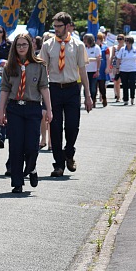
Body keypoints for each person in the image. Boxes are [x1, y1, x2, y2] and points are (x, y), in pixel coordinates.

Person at [39, 12, 93, 178]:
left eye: (59, 26)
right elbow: (42, 70)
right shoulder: (48, 45)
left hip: (72, 88)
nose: (56, 29)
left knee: (72, 126)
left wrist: (88, 95)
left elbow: (82, 71)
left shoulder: (78, 45)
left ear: (68, 26)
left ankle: (69, 152)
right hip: (54, 88)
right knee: (54, 128)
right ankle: (58, 165)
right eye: (54, 26)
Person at [0, 33, 52, 193]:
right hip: (14, 108)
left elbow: (44, 87)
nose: (21, 47)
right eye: (18, 45)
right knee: (15, 146)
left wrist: (49, 109)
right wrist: (1, 111)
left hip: (32, 107)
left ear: (31, 46)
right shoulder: (10, 66)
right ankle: (17, 182)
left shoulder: (39, 65)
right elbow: (5, 89)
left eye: (24, 44)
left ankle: (31, 168)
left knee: (31, 145)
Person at [115, 36, 136, 106]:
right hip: (123, 69)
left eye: (128, 41)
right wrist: (117, 68)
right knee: (125, 85)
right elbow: (118, 59)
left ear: (131, 42)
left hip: (132, 69)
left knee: (132, 84)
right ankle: (125, 99)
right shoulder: (122, 49)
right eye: (126, 41)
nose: (126, 42)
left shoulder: (135, 50)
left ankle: (132, 98)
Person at [83, 33, 101, 108]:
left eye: (85, 39)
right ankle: (86, 100)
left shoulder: (96, 48)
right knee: (86, 87)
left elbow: (99, 59)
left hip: (93, 70)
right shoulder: (84, 48)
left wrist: (97, 70)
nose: (84, 41)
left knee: (93, 87)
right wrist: (92, 59)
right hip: (85, 70)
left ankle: (93, 100)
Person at [96, 33, 111, 107]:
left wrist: (107, 67)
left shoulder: (105, 48)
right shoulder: (92, 48)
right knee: (93, 86)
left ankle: (104, 98)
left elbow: (108, 58)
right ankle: (93, 100)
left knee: (102, 86)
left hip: (102, 69)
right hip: (94, 69)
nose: (97, 41)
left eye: (98, 39)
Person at [110, 34, 126, 102]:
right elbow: (112, 56)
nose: (119, 40)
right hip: (115, 65)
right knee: (116, 81)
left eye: (121, 39)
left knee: (123, 81)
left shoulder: (125, 47)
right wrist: (110, 64)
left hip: (123, 65)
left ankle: (123, 95)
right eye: (118, 39)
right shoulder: (115, 47)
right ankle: (118, 96)